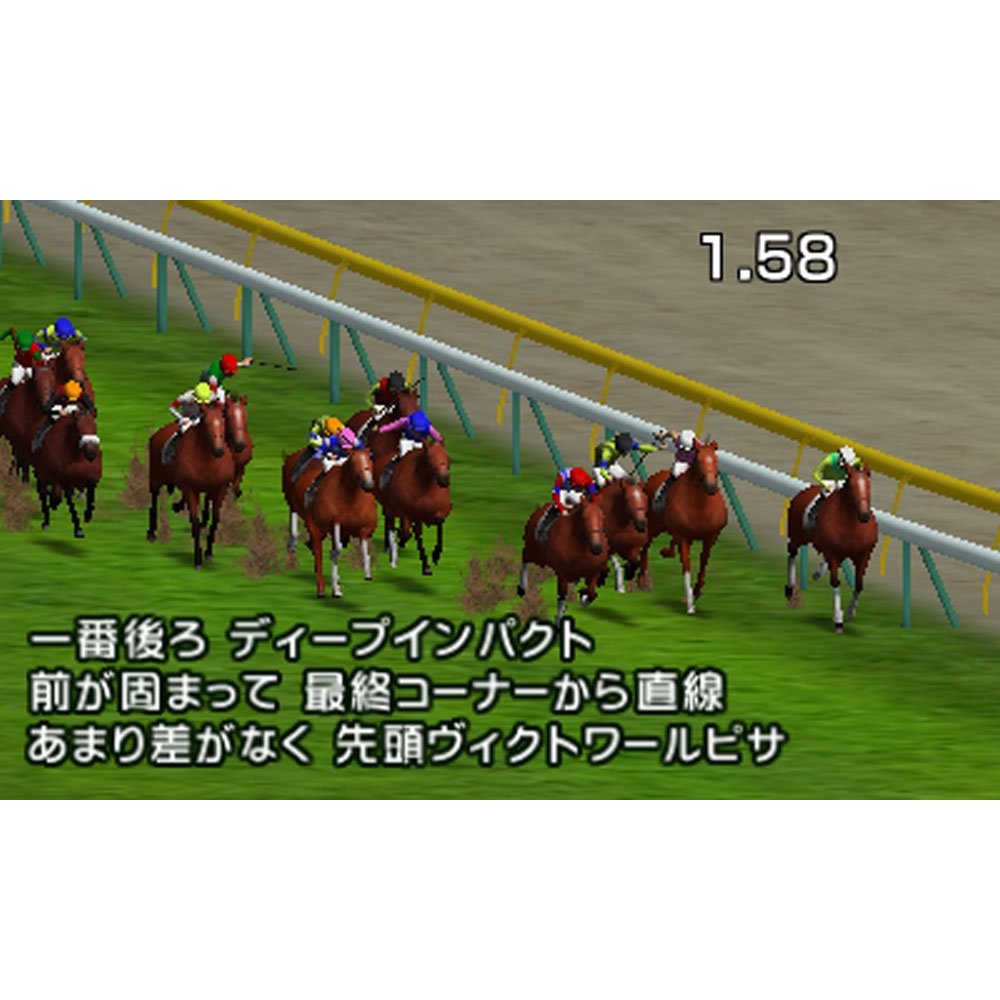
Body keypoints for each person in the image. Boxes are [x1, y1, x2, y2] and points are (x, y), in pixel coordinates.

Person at [803, 445, 864, 529]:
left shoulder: (855, 461)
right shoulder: (829, 460)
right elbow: (816, 473)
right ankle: (813, 513)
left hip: (842, 479)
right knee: (827, 494)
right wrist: (824, 484)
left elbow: (861, 466)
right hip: (829, 480)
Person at [593, 431, 662, 485]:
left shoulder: (626, 444)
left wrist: (657, 448)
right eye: (624, 452)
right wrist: (607, 476)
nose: (626, 454)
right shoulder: (607, 451)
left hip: (612, 464)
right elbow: (602, 468)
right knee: (602, 483)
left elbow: (641, 447)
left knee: (626, 479)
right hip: (599, 467)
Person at [377, 408, 442, 459]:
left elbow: (438, 438)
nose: (417, 433)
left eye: (420, 431)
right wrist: (381, 430)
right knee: (403, 454)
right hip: (407, 440)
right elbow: (393, 426)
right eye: (415, 430)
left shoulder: (429, 428)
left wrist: (439, 443)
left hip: (420, 442)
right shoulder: (405, 421)